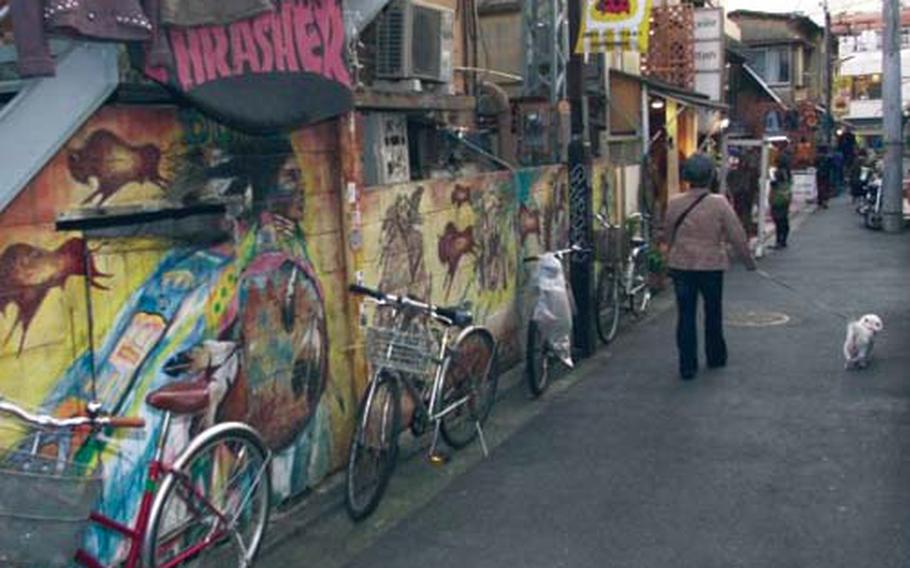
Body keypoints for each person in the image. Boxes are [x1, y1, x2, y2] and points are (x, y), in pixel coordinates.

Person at [661, 153, 757, 381]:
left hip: (682, 265)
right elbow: (736, 235)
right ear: (710, 177)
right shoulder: (719, 203)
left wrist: (668, 256)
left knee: (685, 315)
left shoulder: (674, 202)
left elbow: (668, 234)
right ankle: (715, 356)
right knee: (713, 312)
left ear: (688, 177)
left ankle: (687, 365)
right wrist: (748, 261)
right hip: (711, 266)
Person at [769, 169, 792, 248]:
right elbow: (789, 196)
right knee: (784, 223)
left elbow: (771, 196)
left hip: (776, 205)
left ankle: (778, 241)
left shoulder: (774, 185)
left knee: (778, 223)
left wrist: (771, 203)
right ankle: (783, 240)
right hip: (784, 205)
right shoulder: (787, 185)